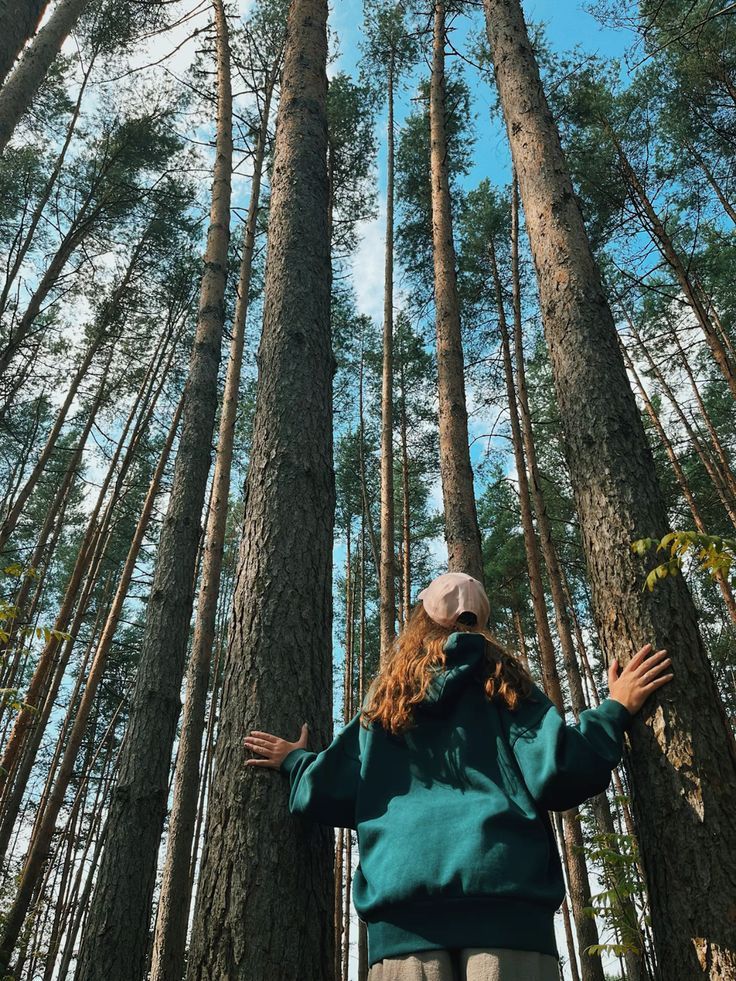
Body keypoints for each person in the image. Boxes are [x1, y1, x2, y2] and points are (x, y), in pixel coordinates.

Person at [243, 571, 674, 981]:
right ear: (481, 624)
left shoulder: (388, 698)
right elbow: (560, 770)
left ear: (421, 619)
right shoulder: (503, 684)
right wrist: (613, 710)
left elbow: (329, 787)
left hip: (402, 925)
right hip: (507, 912)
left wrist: (295, 761)